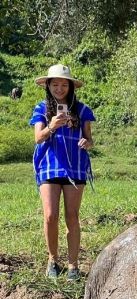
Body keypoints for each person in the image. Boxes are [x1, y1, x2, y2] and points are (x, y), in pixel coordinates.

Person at [29, 64, 95, 280]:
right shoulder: (41, 109)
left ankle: (73, 265)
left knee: (72, 216)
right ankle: (52, 260)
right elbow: (38, 138)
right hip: (49, 165)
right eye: (55, 84)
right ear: (48, 86)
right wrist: (52, 126)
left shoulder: (82, 110)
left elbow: (89, 138)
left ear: (70, 86)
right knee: (50, 216)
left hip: (75, 166)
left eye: (63, 84)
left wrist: (87, 142)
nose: (59, 88)